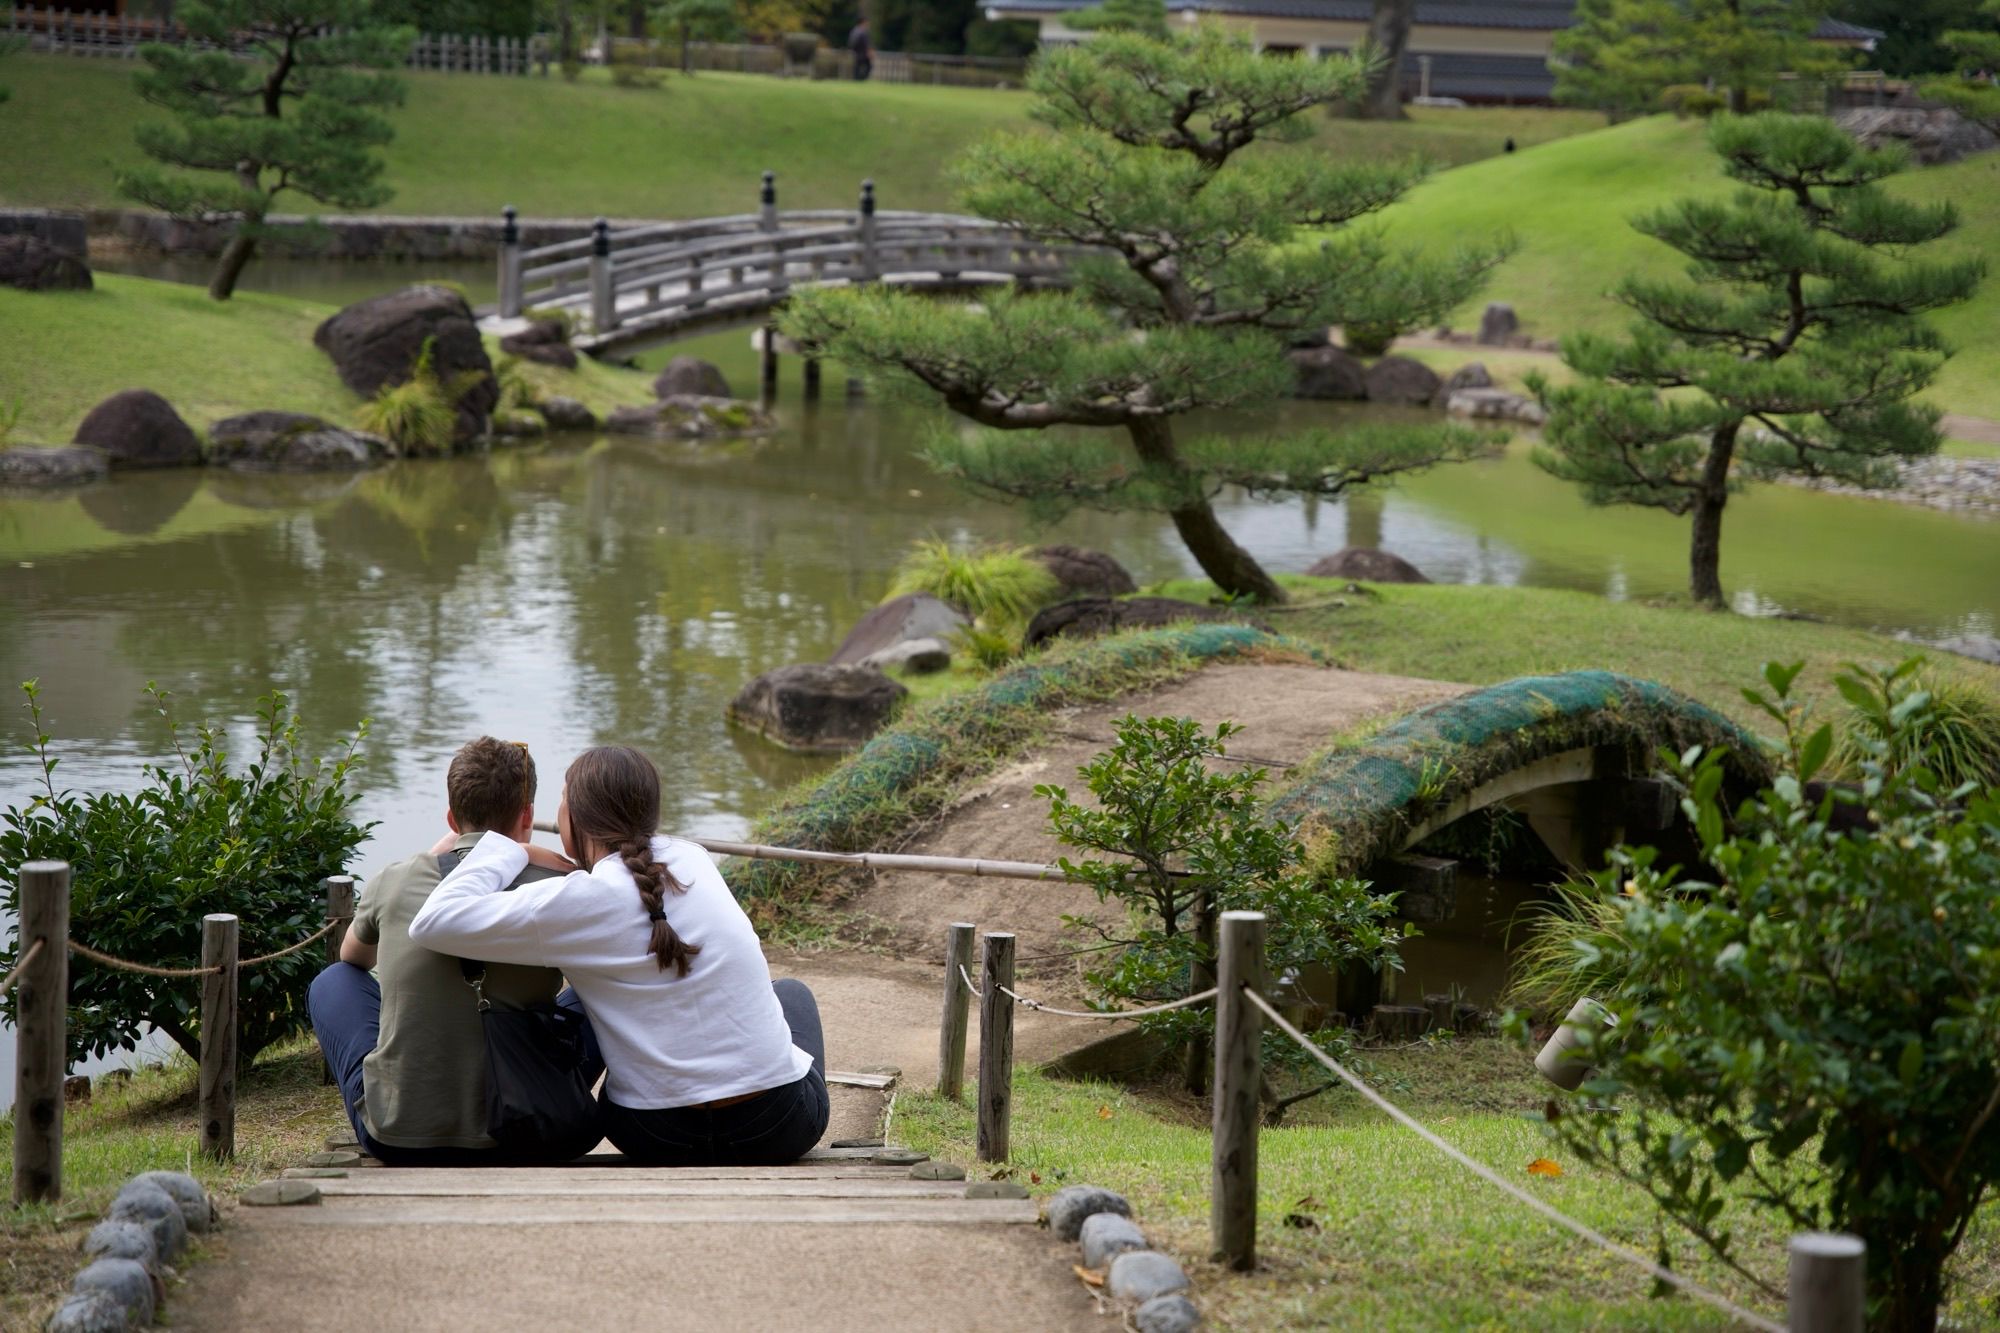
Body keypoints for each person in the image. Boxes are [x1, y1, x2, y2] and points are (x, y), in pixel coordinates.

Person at [410, 745, 829, 1167]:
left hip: (653, 1133)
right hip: (780, 1127)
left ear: (574, 817)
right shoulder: (694, 859)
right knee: (791, 993)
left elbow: (433, 921)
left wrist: (507, 849)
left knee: (580, 1005)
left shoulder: (574, 901)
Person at [308, 737, 602, 1164]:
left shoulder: (396, 879)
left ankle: (398, 1094)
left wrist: (426, 863)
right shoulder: (558, 887)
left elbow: (353, 959)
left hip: (398, 1135)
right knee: (593, 995)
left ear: (451, 816)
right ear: (528, 816)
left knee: (331, 980)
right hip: (529, 1127)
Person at [847, 15, 872, 82]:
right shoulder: (862, 31)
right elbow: (865, 43)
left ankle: (857, 79)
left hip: (856, 52)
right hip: (862, 53)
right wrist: (868, 52)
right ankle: (861, 79)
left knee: (857, 67)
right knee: (867, 66)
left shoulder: (854, 30)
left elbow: (851, 42)